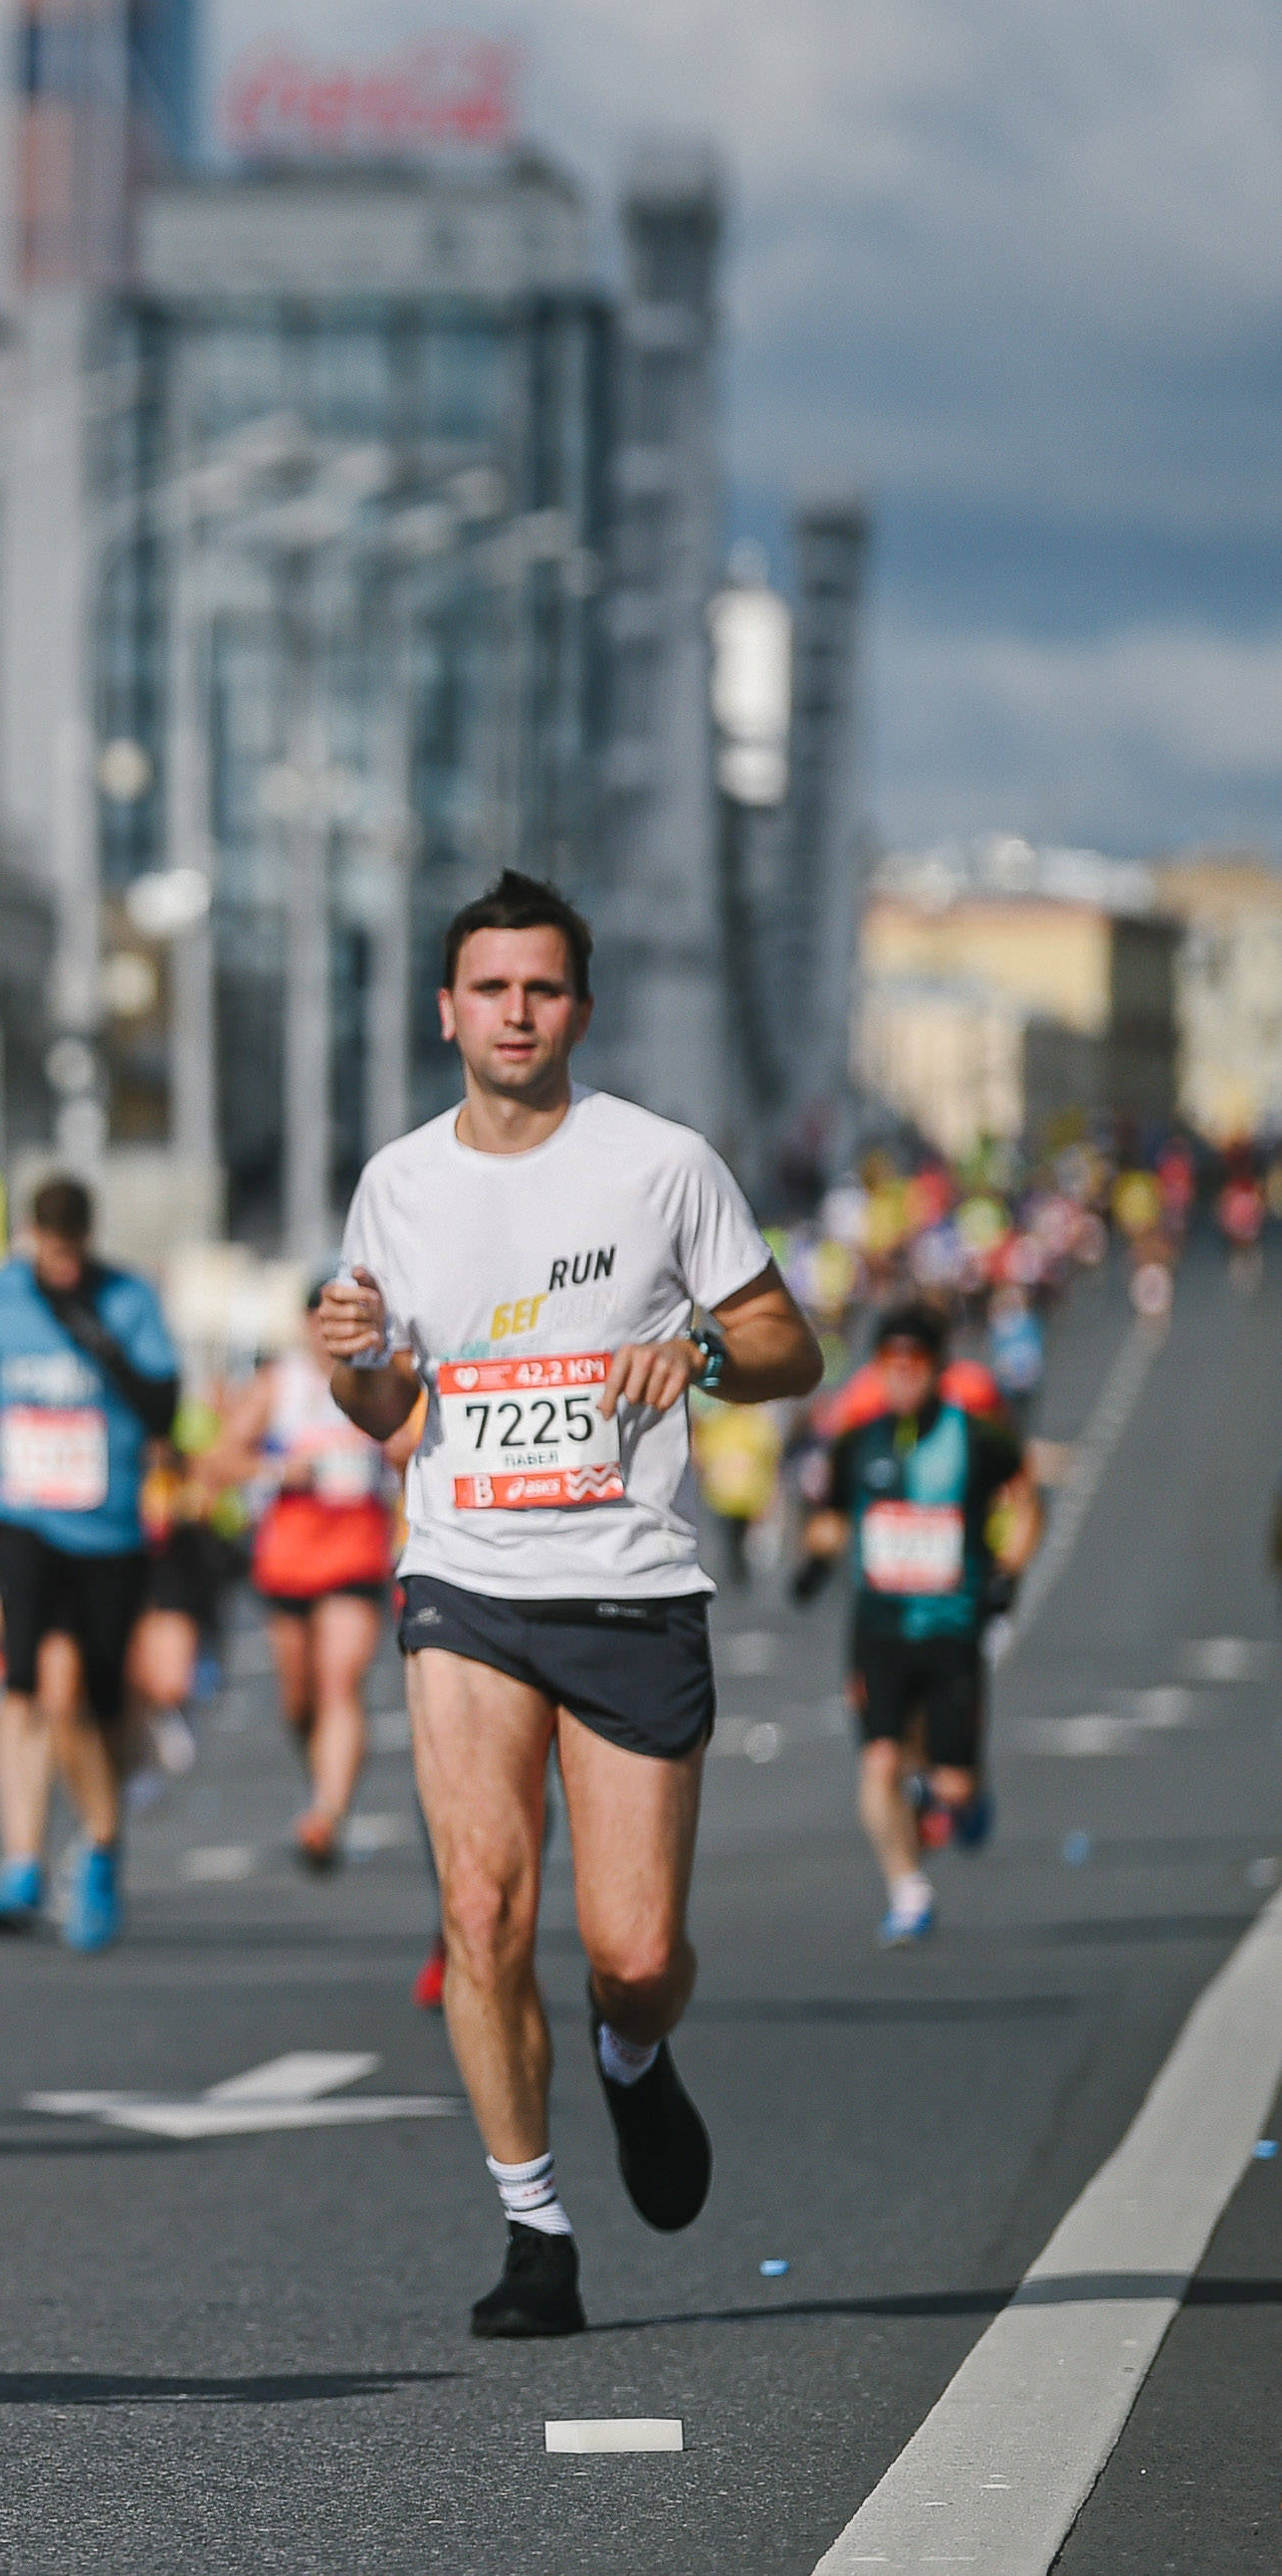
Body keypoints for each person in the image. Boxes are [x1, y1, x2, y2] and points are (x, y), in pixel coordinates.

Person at [315, 870, 819, 2341]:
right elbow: (384, 1402)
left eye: (540, 989)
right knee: (478, 1908)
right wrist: (352, 1352)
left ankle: (627, 2052)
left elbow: (785, 1339)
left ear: (577, 1010)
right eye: (489, 988)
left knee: (634, 1949)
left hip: (628, 1586)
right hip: (464, 1579)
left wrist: (704, 1363)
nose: (514, 1012)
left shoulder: (658, 1164)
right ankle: (533, 2225)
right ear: (446, 1010)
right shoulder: (396, 1181)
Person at [0, 1175, 181, 1953]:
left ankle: (100, 1842)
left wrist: (98, 1339)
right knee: (28, 1684)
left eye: (71, 1251)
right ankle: (21, 1860)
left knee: (93, 1698)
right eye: (47, 1251)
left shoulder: (128, 1297)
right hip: (24, 1516)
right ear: (30, 1236)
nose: (59, 1266)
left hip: (109, 1527)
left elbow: (165, 1406)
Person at [801, 1299, 1038, 1947]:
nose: (902, 1375)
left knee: (951, 1784)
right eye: (889, 1363)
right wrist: (814, 1561)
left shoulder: (975, 1436)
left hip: (951, 1626)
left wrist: (1007, 1573)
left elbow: (1024, 1499)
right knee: (879, 1762)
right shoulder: (861, 1439)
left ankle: (957, 1800)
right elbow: (829, 1515)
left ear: (938, 1368)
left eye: (916, 1363)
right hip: (879, 1629)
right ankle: (907, 1891)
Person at [202, 1320, 403, 1872]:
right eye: (318, 1319)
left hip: (357, 1553)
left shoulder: (382, 1381)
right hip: (289, 1560)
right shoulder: (277, 1385)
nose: (327, 1332)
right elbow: (218, 1462)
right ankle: (320, 1775)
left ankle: (328, 1812)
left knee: (341, 1681)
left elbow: (412, 1449)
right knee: (300, 1700)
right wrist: (275, 1468)